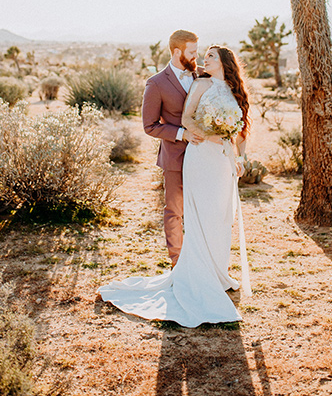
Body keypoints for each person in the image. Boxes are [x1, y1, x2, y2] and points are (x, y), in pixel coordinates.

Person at [98, 45, 251, 328]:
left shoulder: (233, 88)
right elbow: (187, 118)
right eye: (204, 55)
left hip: (222, 162)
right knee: (201, 214)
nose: (205, 59)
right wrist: (211, 134)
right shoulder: (201, 83)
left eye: (211, 57)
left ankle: (218, 273)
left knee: (221, 216)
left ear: (225, 62)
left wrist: (239, 156)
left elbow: (241, 129)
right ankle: (199, 276)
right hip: (201, 155)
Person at [141, 29, 204, 266]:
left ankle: (202, 261)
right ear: (177, 51)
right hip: (175, 157)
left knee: (201, 210)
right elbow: (149, 126)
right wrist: (182, 134)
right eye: (192, 52)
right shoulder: (156, 83)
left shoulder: (204, 76)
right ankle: (178, 263)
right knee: (175, 211)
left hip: (205, 156)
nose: (197, 56)